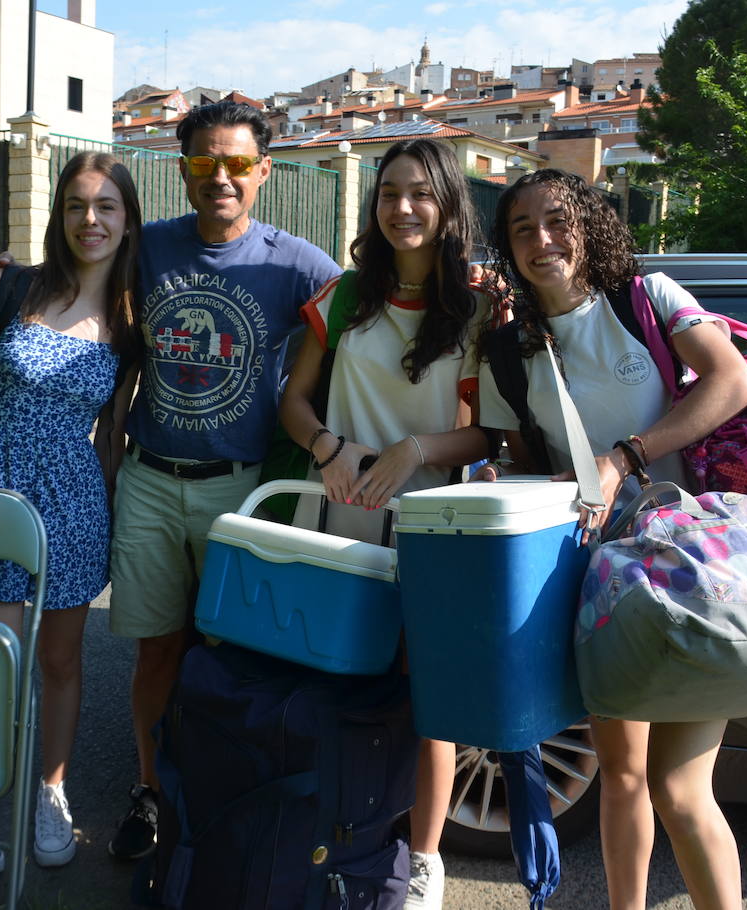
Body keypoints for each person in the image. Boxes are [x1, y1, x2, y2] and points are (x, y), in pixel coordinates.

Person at [0, 99, 342, 861]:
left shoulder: (297, 262)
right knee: (158, 651)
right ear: (183, 171)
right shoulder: (150, 247)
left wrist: (466, 294)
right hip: (146, 477)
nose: (221, 177)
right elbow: (78, 258)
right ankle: (148, 791)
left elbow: (369, 311)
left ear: (264, 171)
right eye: (205, 162)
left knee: (232, 652)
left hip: (235, 487)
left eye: (238, 162)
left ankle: (216, 790)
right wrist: (2, 274)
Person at [477, 168, 747, 910]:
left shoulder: (647, 298)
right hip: (598, 583)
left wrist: (626, 455)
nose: (543, 240)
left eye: (558, 220)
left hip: (690, 570)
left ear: (589, 222)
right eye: (522, 229)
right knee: (623, 774)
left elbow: (733, 383)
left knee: (680, 786)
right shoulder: (508, 350)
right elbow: (524, 464)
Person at [278, 137, 499, 910]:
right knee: (334, 677)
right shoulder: (344, 296)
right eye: (388, 193)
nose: (402, 208)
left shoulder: (475, 309)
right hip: (337, 518)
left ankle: (427, 858)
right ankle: (328, 837)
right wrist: (326, 444)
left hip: (433, 527)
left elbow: (490, 434)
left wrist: (416, 451)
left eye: (420, 194)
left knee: (426, 693)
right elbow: (293, 402)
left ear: (446, 206)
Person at [0, 151, 142, 876]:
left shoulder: (129, 315)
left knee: (60, 663)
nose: (92, 220)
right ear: (59, 215)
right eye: (78, 205)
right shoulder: (11, 287)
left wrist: (109, 517)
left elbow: (113, 430)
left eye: (107, 206)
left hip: (76, 508)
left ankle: (50, 791)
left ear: (127, 218)